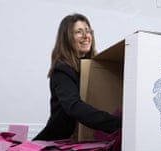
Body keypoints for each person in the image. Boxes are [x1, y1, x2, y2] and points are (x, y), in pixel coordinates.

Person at [33, 13, 121, 141]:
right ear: (67, 38)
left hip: (89, 141)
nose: (86, 36)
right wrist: (118, 124)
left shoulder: (96, 69)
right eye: (79, 32)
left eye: (88, 31)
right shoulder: (62, 71)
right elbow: (74, 107)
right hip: (57, 143)